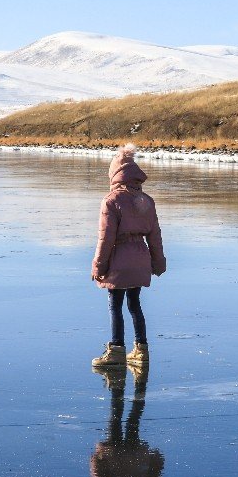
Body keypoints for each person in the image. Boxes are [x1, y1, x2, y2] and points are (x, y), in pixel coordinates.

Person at [91, 144, 166, 368]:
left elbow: (105, 238)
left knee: (115, 305)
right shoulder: (147, 201)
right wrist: (158, 262)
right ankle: (141, 350)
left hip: (119, 261)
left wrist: (99, 267)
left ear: (115, 175)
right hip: (140, 259)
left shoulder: (112, 200)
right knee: (135, 304)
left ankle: (116, 350)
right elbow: (155, 236)